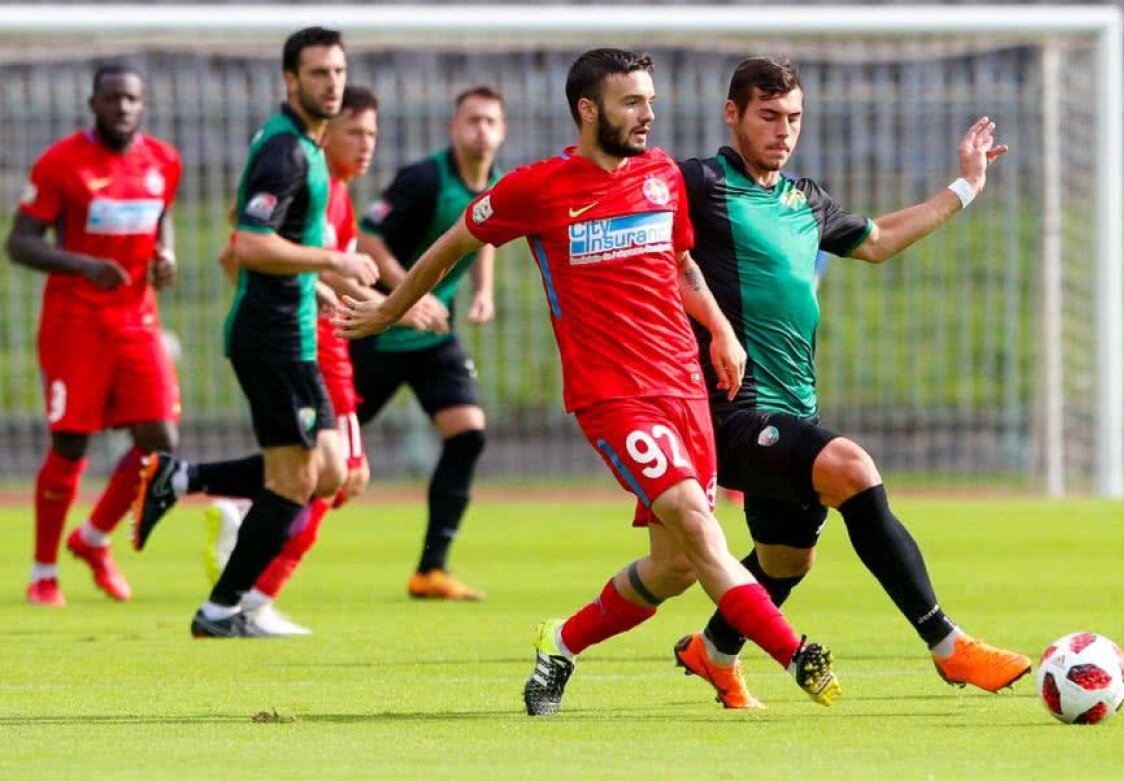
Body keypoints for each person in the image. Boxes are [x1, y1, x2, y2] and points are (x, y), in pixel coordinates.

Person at [336, 48, 842, 716]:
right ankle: (796, 653)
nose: (647, 115)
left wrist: (720, 329)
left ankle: (560, 642)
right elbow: (455, 243)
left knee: (675, 565)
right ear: (587, 109)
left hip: (685, 389)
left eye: (651, 101)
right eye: (632, 102)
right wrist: (389, 307)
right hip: (614, 397)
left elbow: (682, 263)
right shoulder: (537, 188)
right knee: (700, 525)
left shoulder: (661, 175)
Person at [671, 56, 1031, 709]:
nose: (784, 130)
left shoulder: (804, 199)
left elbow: (877, 238)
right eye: (769, 116)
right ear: (733, 114)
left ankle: (714, 651)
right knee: (853, 468)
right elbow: (643, 223)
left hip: (795, 403)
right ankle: (948, 645)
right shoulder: (699, 182)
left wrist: (966, 186)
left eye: (794, 118)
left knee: (785, 561)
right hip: (730, 408)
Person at [132, 26, 381, 638]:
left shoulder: (303, 148)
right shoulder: (287, 152)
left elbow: (276, 247)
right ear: (290, 80)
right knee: (296, 481)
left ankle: (185, 477)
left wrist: (318, 289)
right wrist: (334, 263)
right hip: (269, 339)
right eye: (318, 73)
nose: (331, 84)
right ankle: (222, 610)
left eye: (338, 72)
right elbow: (246, 243)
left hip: (294, 331)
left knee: (327, 470)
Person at [202, 85, 396, 635]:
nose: (366, 146)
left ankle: (247, 540)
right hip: (312, 351)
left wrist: (383, 304)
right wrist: (312, 297)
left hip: (324, 347)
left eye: (373, 134)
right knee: (340, 475)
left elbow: (330, 274)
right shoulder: (307, 176)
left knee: (327, 476)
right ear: (326, 131)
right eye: (355, 132)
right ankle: (256, 596)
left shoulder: (336, 195)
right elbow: (235, 254)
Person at [5, 64, 182, 606]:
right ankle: (43, 572)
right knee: (70, 442)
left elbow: (161, 214)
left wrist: (165, 252)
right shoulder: (62, 164)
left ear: (143, 103)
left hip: (137, 319)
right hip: (75, 321)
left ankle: (93, 538)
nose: (122, 108)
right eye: (112, 99)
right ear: (93, 103)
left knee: (162, 445)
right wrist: (83, 266)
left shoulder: (162, 161)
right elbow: (19, 242)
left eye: (131, 99)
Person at [352, 85, 507, 601]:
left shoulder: (496, 187)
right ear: (453, 128)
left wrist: (483, 292)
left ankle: (430, 570)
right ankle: (234, 500)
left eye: (490, 121)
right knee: (321, 456)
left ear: (502, 131)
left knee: (468, 435)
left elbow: (483, 234)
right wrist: (404, 296)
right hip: (378, 330)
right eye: (472, 120)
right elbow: (368, 236)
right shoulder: (422, 179)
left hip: (433, 337)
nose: (480, 130)